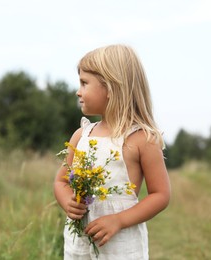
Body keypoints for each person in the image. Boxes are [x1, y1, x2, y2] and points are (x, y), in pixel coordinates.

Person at [54, 44, 171, 260]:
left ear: (111, 87)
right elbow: (61, 182)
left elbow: (161, 195)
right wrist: (68, 201)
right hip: (80, 241)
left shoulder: (141, 139)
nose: (78, 91)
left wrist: (118, 220)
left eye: (84, 83)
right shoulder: (82, 136)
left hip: (121, 244)